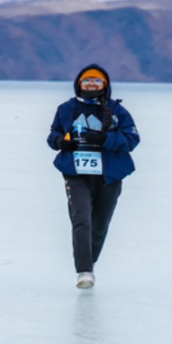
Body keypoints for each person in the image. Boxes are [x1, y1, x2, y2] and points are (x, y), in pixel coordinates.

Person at [47, 64, 140, 289]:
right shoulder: (66, 109)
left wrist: (105, 140)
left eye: (96, 81)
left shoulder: (119, 112)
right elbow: (53, 134)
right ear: (79, 83)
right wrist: (61, 142)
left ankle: (91, 262)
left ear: (104, 84)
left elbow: (132, 140)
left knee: (99, 226)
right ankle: (84, 272)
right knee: (81, 219)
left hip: (109, 175)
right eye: (87, 80)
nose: (91, 84)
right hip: (76, 174)